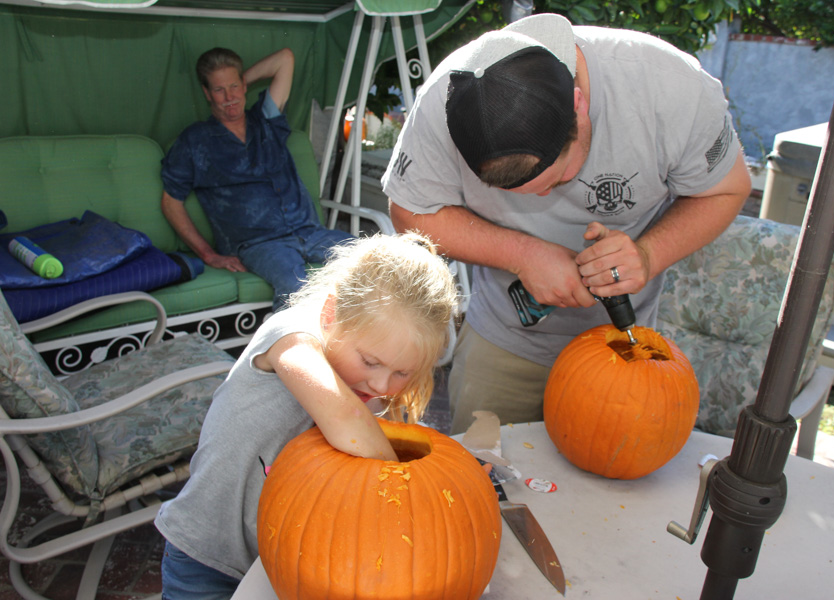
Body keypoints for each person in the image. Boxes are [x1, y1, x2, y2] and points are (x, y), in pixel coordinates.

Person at [382, 13, 752, 434]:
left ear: (579, 105)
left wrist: (648, 255)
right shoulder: (442, 102)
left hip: (620, 349)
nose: (546, 198)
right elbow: (411, 211)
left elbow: (727, 189)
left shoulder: (668, 87)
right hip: (505, 340)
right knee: (486, 482)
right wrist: (521, 254)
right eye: (518, 194)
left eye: (558, 179)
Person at [154, 232, 458, 599]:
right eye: (370, 362)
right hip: (204, 557)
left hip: (275, 562)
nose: (380, 383)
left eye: (402, 373)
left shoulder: (367, 380)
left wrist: (448, 475)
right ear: (331, 314)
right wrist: (417, 496)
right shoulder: (290, 337)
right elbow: (347, 421)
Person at [160, 47, 353, 310]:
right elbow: (171, 202)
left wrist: (241, 83)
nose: (229, 97)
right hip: (259, 243)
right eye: (219, 90)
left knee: (375, 259)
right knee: (296, 285)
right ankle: (283, 346)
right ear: (206, 93)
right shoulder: (195, 141)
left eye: (234, 86)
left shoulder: (266, 119)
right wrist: (209, 255)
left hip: (309, 232)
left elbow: (286, 58)